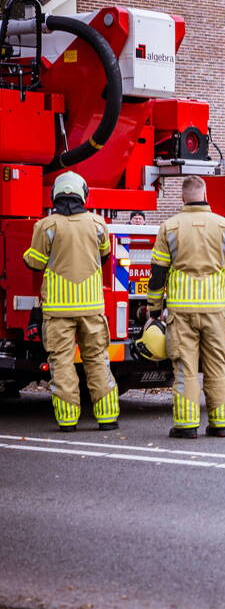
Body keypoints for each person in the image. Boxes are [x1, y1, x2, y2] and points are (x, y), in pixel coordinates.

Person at [147, 176, 225, 439]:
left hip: (181, 312)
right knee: (217, 366)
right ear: (205, 195)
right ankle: (220, 424)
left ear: (182, 198)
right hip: (216, 310)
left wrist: (154, 309)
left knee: (185, 369)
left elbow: (158, 274)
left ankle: (186, 425)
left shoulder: (169, 227)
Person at [23, 171, 120, 431]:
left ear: (55, 195)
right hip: (91, 307)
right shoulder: (98, 223)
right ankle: (107, 418)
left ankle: (67, 421)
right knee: (97, 360)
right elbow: (105, 255)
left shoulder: (46, 225)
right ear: (83, 194)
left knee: (62, 363)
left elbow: (35, 263)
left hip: (58, 310)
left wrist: (26, 255)